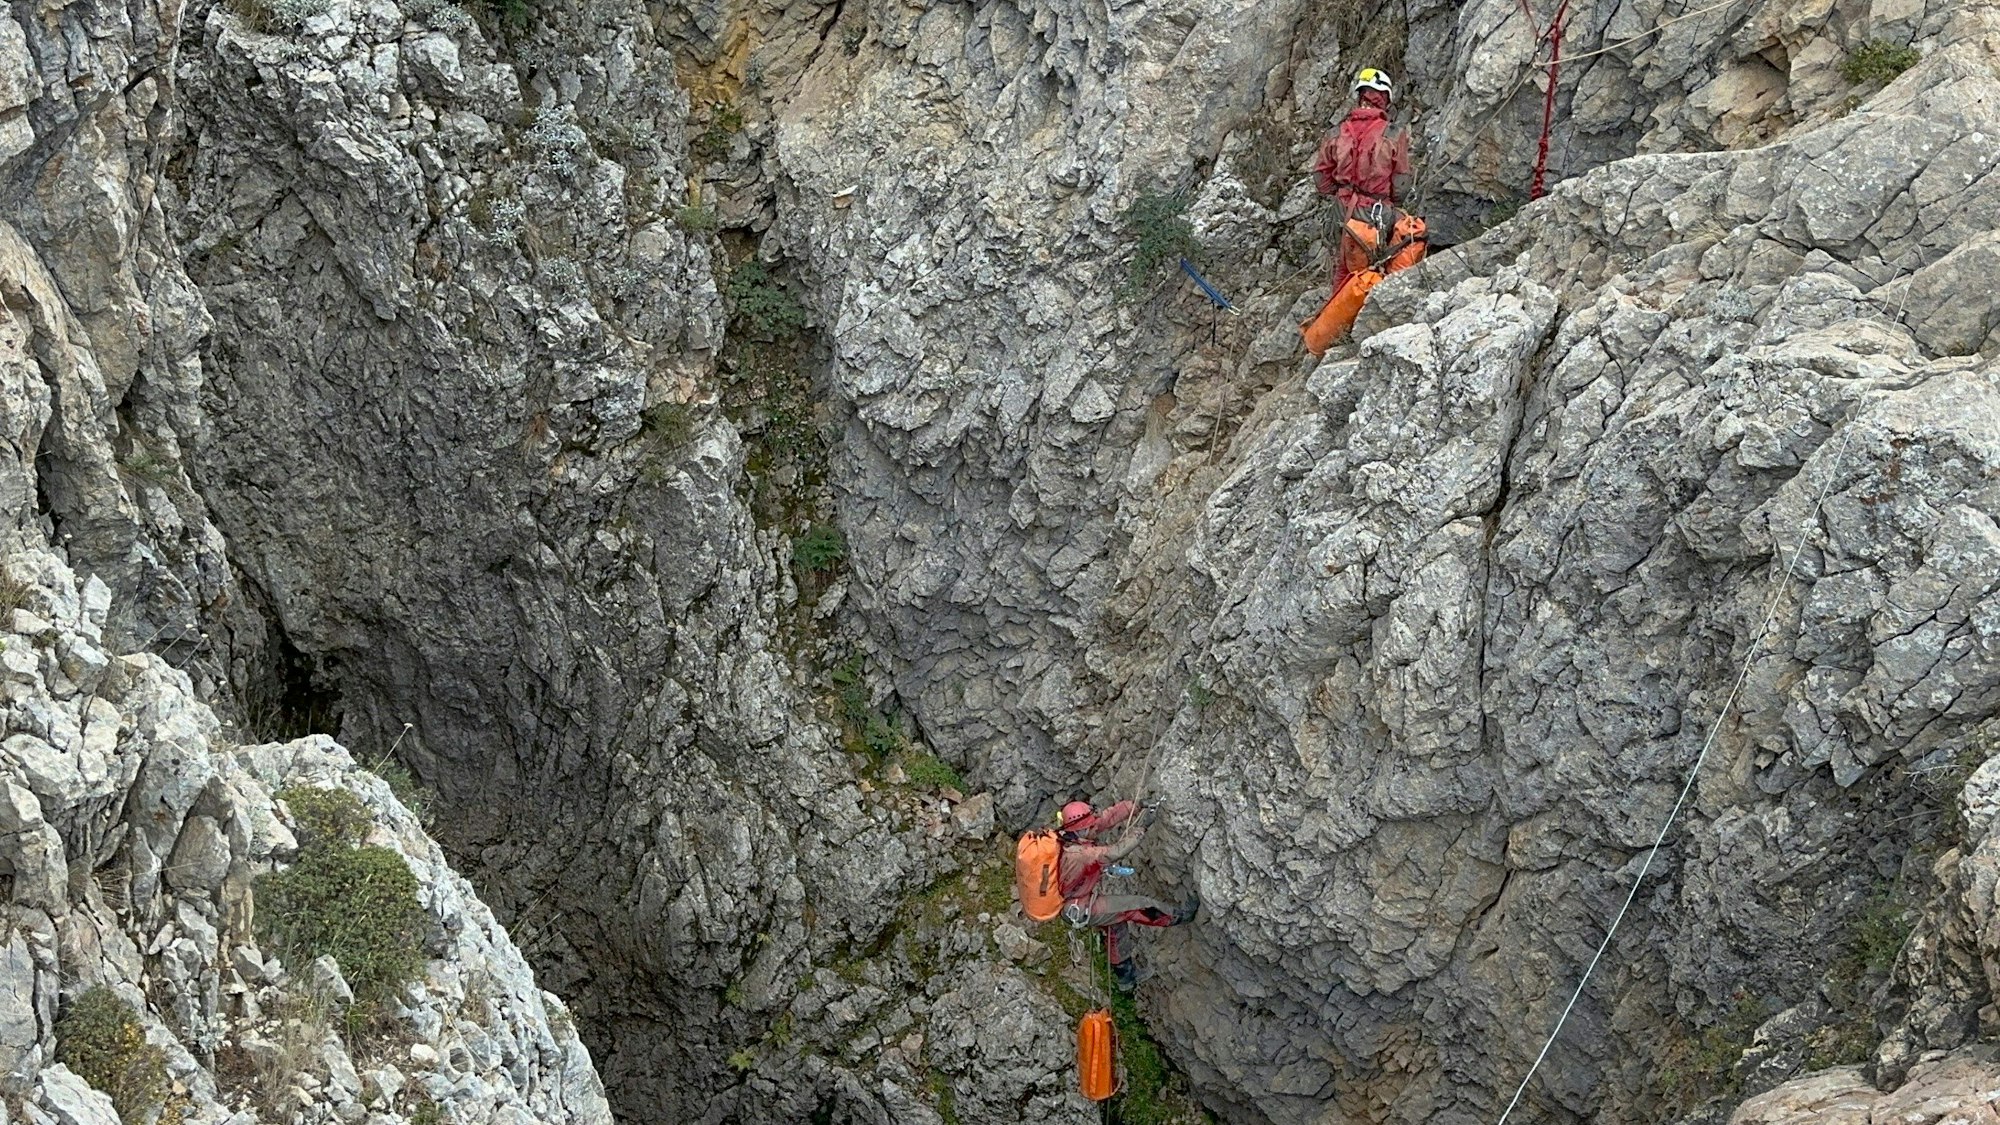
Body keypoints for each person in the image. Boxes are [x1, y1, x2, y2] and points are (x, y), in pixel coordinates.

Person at [1056, 800, 1198, 991]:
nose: (1094, 826)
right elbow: (1115, 853)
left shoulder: (1071, 837)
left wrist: (1136, 805)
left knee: (1116, 925)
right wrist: (1141, 828)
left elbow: (1107, 818)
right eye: (1090, 824)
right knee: (1138, 905)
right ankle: (1180, 915)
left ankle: (1126, 978)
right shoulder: (1079, 854)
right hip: (1081, 908)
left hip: (1079, 903)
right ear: (1082, 828)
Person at [1313, 68, 1417, 295]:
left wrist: (1342, 193)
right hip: (1375, 212)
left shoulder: (1336, 132)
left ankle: (1336, 314)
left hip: (1341, 210)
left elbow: (1321, 178)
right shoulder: (1392, 133)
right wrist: (1387, 201)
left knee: (1344, 264)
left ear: (1360, 96)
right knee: (1381, 259)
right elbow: (1401, 184)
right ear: (1385, 98)